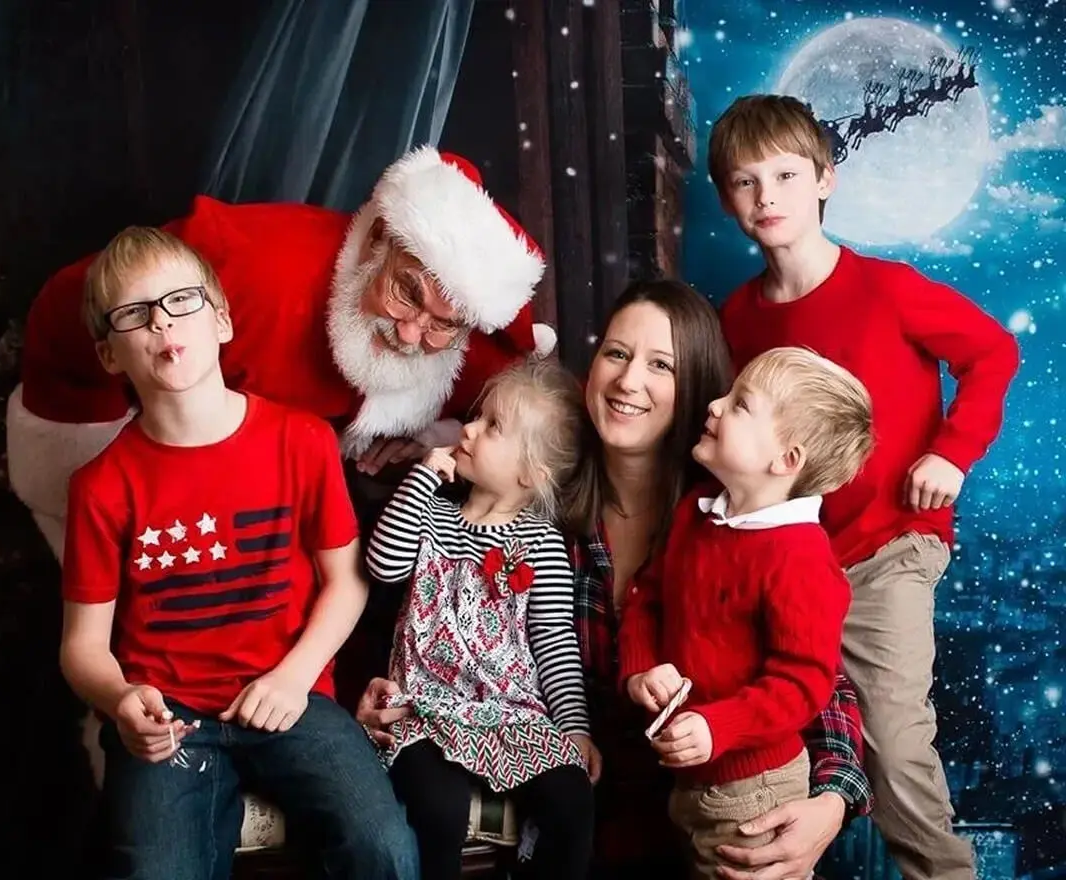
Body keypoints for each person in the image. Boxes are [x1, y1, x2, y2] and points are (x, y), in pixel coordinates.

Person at [359, 281, 875, 880]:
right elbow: (422, 599)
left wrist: (834, 800)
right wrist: (385, 690)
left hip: (719, 808)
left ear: (702, 389)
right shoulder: (532, 507)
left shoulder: (738, 515)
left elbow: (812, 675)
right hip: (585, 817)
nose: (629, 382)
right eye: (616, 353)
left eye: (661, 365)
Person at [709, 94, 1020, 880]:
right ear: (726, 200)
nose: (767, 196)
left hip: (891, 548)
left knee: (892, 735)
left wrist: (952, 451)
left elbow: (990, 353)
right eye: (746, 183)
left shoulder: (886, 288)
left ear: (825, 180)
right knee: (764, 734)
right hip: (790, 562)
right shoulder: (735, 321)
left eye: (785, 174)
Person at [58, 227, 417, 880]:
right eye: (135, 313)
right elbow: (83, 647)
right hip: (170, 722)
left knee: (384, 848)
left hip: (291, 696)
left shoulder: (300, 441)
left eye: (181, 300)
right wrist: (119, 698)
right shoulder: (101, 486)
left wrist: (294, 675)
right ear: (112, 356)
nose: (163, 320)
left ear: (220, 318)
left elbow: (346, 581)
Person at [7, 146, 558, 560]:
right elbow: (75, 308)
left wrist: (427, 439)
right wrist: (98, 457)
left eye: (445, 325)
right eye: (407, 293)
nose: (413, 335)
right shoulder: (252, 269)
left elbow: (548, 432)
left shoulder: (475, 356)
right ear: (376, 242)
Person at [621, 346, 874, 878]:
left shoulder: (802, 559)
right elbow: (648, 597)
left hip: (753, 792)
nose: (713, 405)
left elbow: (805, 682)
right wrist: (641, 669)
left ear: (786, 460)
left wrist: (720, 726)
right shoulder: (697, 513)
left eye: (740, 405)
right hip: (684, 784)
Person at [364, 361, 596, 880]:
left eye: (493, 427)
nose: (467, 430)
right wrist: (423, 476)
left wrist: (575, 728)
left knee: (572, 799)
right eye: (478, 417)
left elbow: (555, 644)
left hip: (509, 710)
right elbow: (382, 564)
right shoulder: (431, 514)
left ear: (530, 473)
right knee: (439, 807)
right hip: (423, 706)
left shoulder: (541, 541)